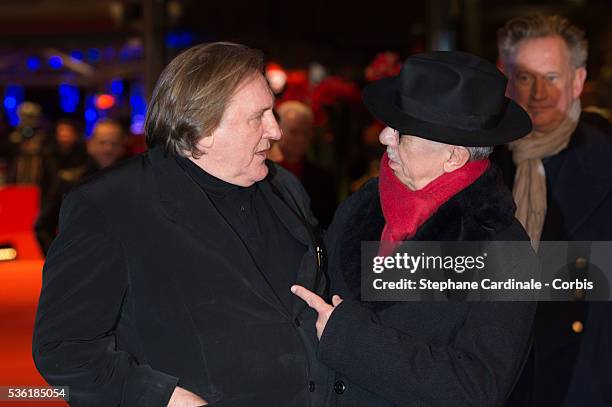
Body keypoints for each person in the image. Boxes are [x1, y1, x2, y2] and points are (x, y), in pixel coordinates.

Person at [33, 42, 329, 407]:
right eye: (259, 116)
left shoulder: (284, 188)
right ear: (203, 126)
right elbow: (63, 350)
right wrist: (159, 397)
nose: (276, 131)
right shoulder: (111, 204)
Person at [292, 51, 537, 406]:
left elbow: (477, 387)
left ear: (453, 157)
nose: (384, 138)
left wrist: (351, 339)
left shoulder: (506, 251)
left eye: (402, 132)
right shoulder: (361, 206)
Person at [494, 15, 612, 406]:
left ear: (578, 81)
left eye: (552, 77)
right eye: (525, 78)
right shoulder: (474, 164)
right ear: (505, 81)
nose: (539, 93)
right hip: (496, 380)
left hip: (585, 380)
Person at [277, 100, 338, 227]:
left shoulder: (323, 179)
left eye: (306, 132)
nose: (301, 139)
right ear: (278, 131)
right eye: (294, 132)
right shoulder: (264, 173)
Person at [35, 119, 88, 254]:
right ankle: (52, 255)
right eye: (61, 132)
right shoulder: (48, 152)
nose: (64, 136)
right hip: (53, 199)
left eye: (68, 132)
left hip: (75, 200)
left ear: (75, 134)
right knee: (41, 227)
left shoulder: (83, 153)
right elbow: (49, 179)